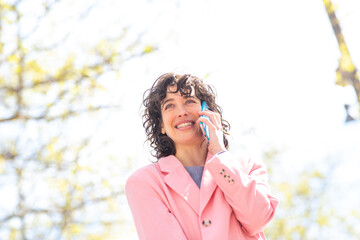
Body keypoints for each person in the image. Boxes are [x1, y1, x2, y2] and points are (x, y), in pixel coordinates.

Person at [125, 73, 278, 240]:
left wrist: (219, 152)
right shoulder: (145, 182)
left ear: (207, 111)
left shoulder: (247, 166)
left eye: (189, 101)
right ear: (161, 124)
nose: (181, 112)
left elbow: (258, 219)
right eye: (169, 106)